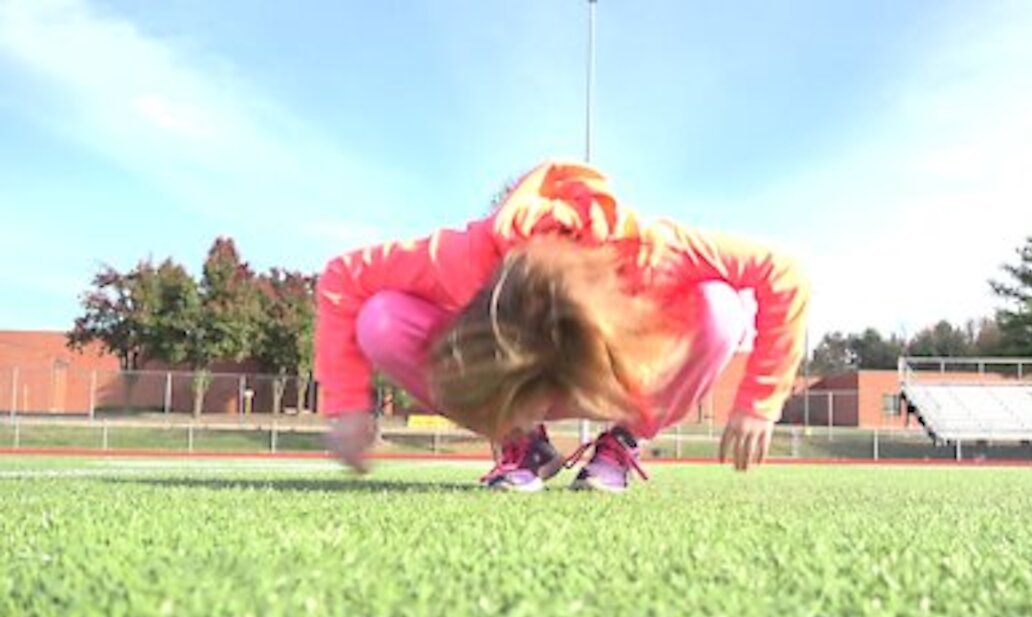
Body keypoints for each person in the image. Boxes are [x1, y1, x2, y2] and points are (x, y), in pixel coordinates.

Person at [316, 160, 809, 492]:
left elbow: (782, 273)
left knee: (720, 308)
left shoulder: (654, 251)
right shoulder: (463, 256)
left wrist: (758, 404)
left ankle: (625, 440)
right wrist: (347, 406)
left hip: (624, 381)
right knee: (380, 319)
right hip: (512, 388)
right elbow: (342, 278)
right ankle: (522, 441)